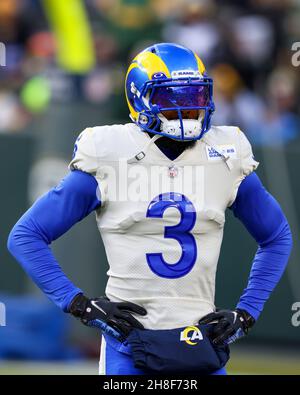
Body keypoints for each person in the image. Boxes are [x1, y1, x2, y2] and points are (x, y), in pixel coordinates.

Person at [7, 43, 292, 375]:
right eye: (171, 99)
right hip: (129, 346)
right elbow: (26, 236)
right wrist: (79, 305)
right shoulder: (111, 153)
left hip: (201, 343)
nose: (186, 109)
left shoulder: (225, 154)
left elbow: (276, 236)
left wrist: (246, 313)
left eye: (194, 96)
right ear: (140, 100)